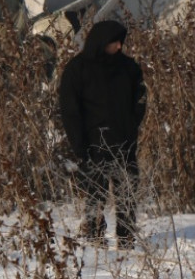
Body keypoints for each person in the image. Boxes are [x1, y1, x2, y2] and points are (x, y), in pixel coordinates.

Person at [58, 20, 147, 248]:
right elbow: (70, 110)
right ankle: (95, 239)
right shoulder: (78, 69)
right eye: (114, 42)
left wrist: (130, 123)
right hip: (93, 145)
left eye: (120, 42)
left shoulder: (128, 67)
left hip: (124, 143)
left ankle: (126, 239)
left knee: (126, 192)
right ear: (101, 42)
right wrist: (80, 146)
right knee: (95, 194)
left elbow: (140, 97)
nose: (119, 46)